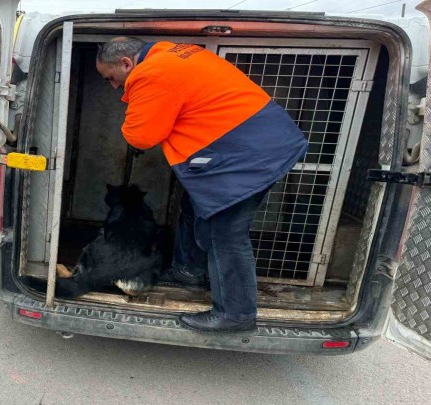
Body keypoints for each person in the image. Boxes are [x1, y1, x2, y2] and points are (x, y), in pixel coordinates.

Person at [96, 37, 308, 332]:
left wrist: (135, 109)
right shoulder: (174, 53)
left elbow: (140, 136)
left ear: (126, 63)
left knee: (226, 233)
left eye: (111, 78)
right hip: (253, 143)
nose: (115, 86)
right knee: (194, 205)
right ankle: (188, 271)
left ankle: (236, 313)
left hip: (249, 156)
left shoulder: (150, 73)